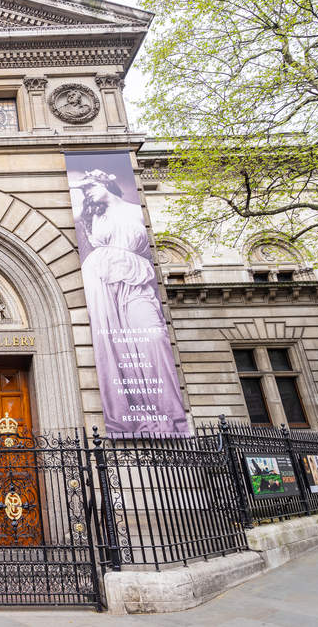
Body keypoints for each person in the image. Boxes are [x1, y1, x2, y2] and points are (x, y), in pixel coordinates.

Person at [70, 167, 188, 435]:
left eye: (90, 187)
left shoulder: (136, 210)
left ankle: (168, 413)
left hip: (136, 282)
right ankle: (138, 410)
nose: (87, 193)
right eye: (84, 189)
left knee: (154, 337)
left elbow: (149, 249)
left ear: (105, 184)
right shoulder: (91, 217)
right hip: (101, 283)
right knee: (113, 343)